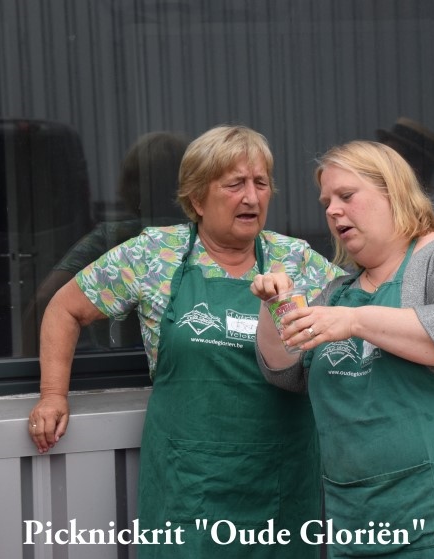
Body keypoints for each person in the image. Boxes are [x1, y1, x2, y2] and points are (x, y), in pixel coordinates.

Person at [28, 124, 343, 558]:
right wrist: (52, 394)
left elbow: (358, 317)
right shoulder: (154, 254)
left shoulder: (297, 260)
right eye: (235, 184)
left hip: (279, 483)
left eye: (261, 183)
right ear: (196, 199)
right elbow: (64, 309)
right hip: (186, 483)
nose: (251, 197)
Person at [251, 140, 434, 558]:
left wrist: (357, 322)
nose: (332, 210)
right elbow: (285, 372)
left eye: (346, 195)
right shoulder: (338, 293)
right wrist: (273, 307)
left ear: (393, 192)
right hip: (362, 513)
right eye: (326, 202)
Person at [22, 131, 190, 354]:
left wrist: (31, 363)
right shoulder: (210, 237)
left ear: (132, 185)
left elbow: (44, 300)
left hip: (113, 364)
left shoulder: (114, 237)